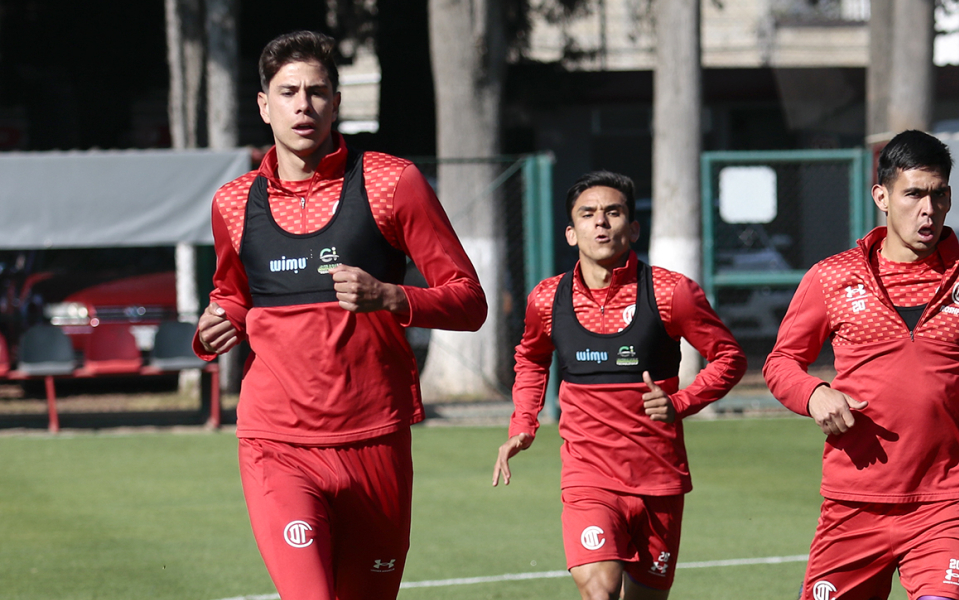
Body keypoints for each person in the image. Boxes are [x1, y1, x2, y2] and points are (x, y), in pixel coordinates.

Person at [193, 31, 486, 600]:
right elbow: (231, 294)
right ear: (264, 105)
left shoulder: (390, 183)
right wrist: (213, 326)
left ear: (337, 102)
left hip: (375, 439)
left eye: (317, 91)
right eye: (288, 92)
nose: (303, 105)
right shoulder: (232, 202)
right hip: (276, 442)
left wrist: (392, 297)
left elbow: (468, 300)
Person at [762, 130, 959, 600]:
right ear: (882, 196)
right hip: (853, 503)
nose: (928, 209)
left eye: (939, 193)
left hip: (942, 502)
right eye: (914, 194)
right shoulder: (832, 276)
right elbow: (782, 362)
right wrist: (814, 393)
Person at [494, 170, 746, 600]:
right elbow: (532, 358)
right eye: (588, 215)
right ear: (571, 234)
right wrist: (523, 423)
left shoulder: (671, 293)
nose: (601, 223)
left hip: (659, 480)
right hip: (588, 476)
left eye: (613, 213)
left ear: (633, 228)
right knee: (601, 589)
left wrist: (680, 402)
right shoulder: (546, 299)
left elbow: (730, 357)